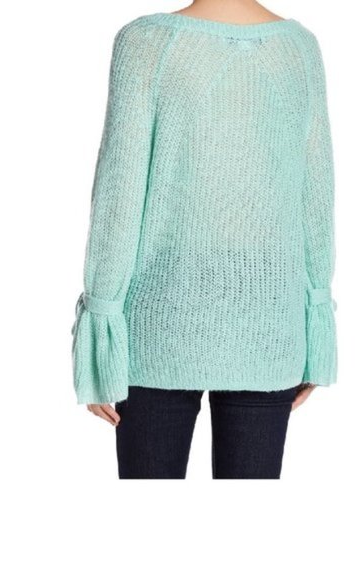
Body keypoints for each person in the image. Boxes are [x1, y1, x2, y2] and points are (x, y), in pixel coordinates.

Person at [70, 0, 338, 479]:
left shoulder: (147, 43)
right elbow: (315, 197)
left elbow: (119, 194)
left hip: (159, 319)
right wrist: (315, 323)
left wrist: (101, 334)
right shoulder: (299, 49)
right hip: (270, 320)